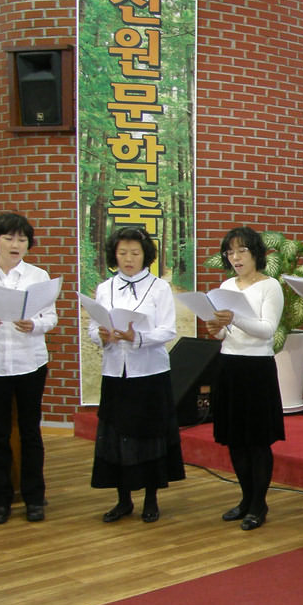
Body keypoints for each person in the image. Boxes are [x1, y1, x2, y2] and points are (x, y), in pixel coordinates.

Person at [0, 212, 57, 524]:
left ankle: (34, 497)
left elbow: (51, 319)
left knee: (31, 432)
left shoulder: (38, 276)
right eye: (9, 238)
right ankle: (0, 500)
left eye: (21, 239)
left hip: (30, 362)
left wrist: (33, 324)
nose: (15, 244)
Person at [88, 226, 185, 523]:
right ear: (113, 255)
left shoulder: (159, 288)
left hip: (149, 371)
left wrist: (137, 338)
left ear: (146, 255)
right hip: (116, 371)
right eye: (122, 253)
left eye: (134, 253)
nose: (128, 259)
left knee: (149, 434)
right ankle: (123, 499)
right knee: (117, 435)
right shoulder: (105, 288)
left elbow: (168, 329)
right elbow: (93, 329)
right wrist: (103, 336)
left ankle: (151, 499)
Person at [204, 226, 285, 530]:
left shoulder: (270, 286)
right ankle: (245, 498)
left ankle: (259, 504)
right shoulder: (227, 285)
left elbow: (267, 330)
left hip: (256, 368)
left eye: (241, 251)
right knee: (235, 439)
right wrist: (218, 329)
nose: (235, 257)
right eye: (230, 252)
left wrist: (235, 317)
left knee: (257, 441)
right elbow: (228, 332)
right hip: (229, 365)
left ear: (256, 253)